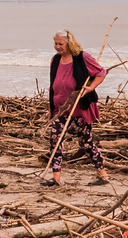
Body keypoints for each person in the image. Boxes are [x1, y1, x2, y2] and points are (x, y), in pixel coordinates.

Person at [44, 30, 110, 186]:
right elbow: (53, 84)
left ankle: (103, 175)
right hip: (60, 108)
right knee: (55, 140)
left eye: (61, 44)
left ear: (69, 43)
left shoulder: (82, 57)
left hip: (80, 107)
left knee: (86, 143)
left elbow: (101, 72)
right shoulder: (55, 59)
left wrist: (90, 87)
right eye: (55, 43)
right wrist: (51, 109)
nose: (57, 47)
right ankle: (56, 178)